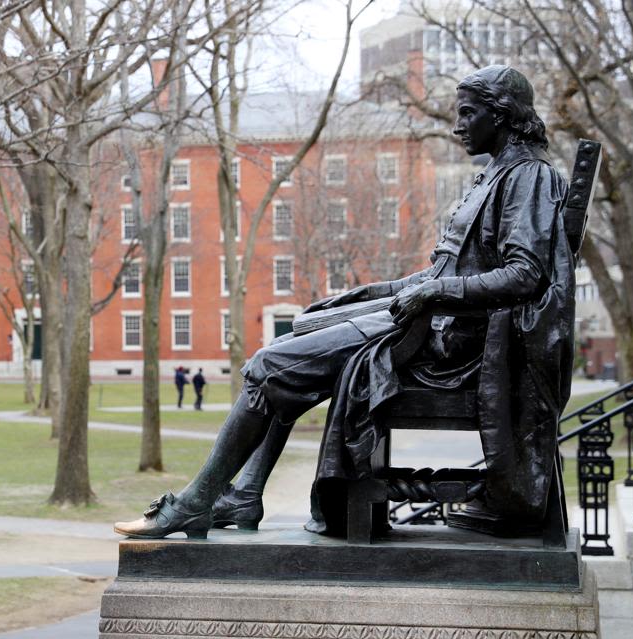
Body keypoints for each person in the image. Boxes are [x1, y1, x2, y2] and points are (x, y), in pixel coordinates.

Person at [115, 65, 574, 540]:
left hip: (451, 344)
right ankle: (246, 491)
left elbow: (525, 275)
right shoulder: (498, 175)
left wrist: (431, 293)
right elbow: (446, 271)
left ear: (501, 115)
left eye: (468, 113)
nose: (457, 126)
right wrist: (369, 292)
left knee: (268, 366)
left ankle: (195, 503)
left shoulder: (529, 178)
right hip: (431, 323)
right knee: (303, 331)